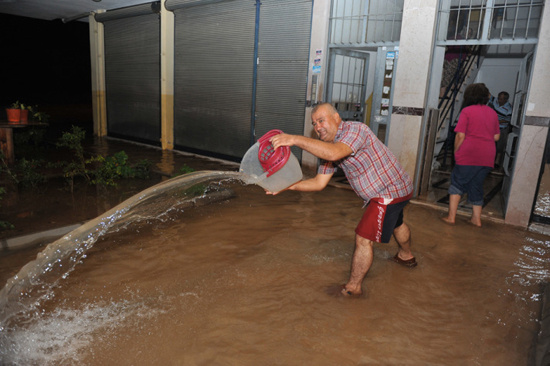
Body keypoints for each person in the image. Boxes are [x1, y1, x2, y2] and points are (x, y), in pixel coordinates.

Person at [267, 103, 416, 297]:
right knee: (397, 223)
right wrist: (287, 186)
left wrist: (294, 139)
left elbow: (335, 153)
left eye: (321, 120)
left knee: (363, 238)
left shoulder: (356, 130)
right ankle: (406, 256)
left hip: (389, 191)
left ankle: (353, 288)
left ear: (337, 118)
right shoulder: (327, 147)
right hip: (401, 188)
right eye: (314, 124)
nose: (318, 127)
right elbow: (319, 183)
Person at [441, 83, 500, 227]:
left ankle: (451, 217)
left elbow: (460, 136)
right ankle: (476, 219)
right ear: (486, 96)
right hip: (487, 156)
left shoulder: (467, 111)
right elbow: (497, 137)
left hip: (469, 154)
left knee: (457, 183)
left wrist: (456, 153)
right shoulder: (492, 112)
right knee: (476, 185)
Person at [487, 91, 513, 168]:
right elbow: (489, 95)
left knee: (499, 146)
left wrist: (495, 121)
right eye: (499, 98)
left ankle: (497, 162)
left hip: (502, 129)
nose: (499, 100)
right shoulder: (495, 101)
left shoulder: (508, 109)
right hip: (493, 128)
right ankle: (489, 161)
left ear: (506, 100)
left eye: (501, 99)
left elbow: (507, 120)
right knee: (491, 145)